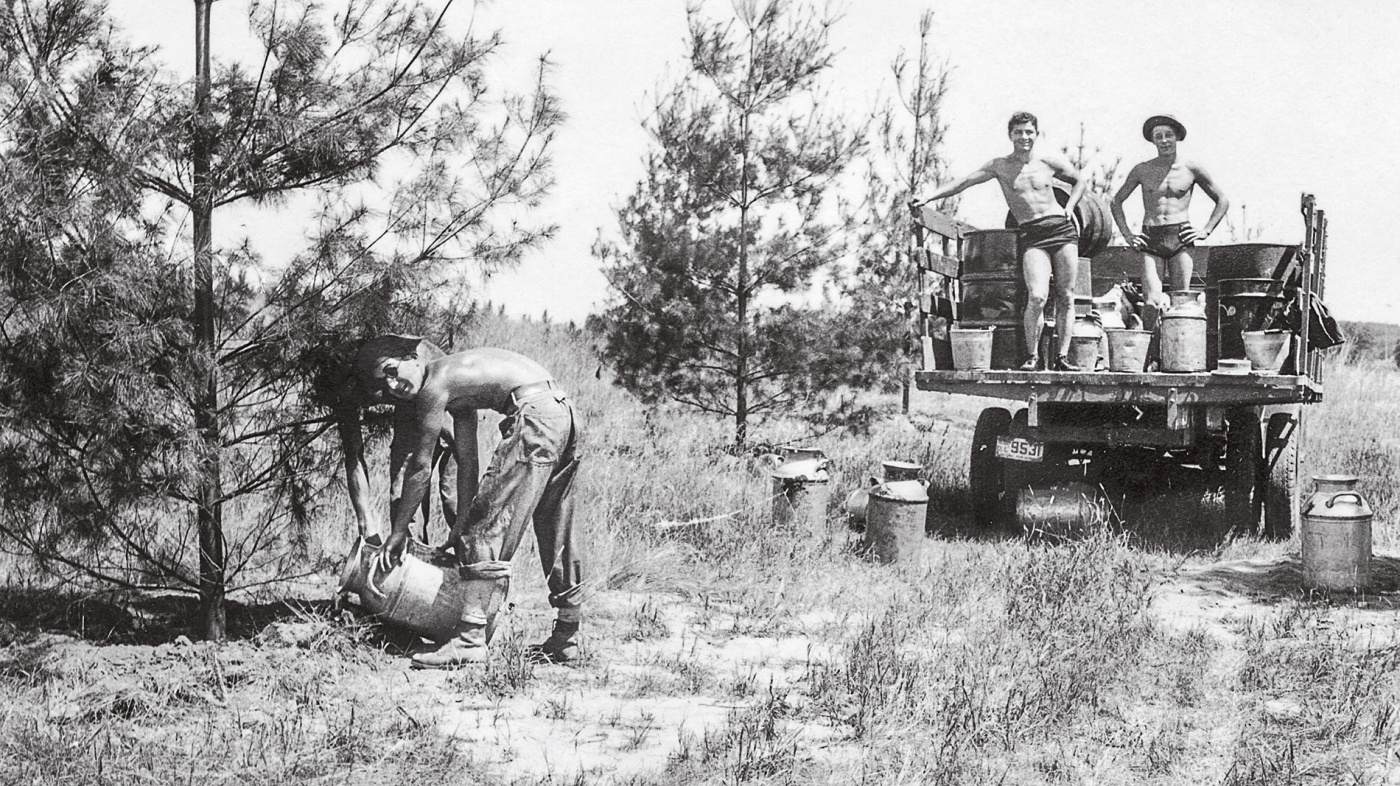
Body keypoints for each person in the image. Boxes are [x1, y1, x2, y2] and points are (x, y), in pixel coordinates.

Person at [356, 342, 585, 669]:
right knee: (556, 521)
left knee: (485, 527)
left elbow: (420, 469)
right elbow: (467, 459)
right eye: (383, 383)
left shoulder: (434, 385)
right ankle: (568, 637)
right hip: (562, 413)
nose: (392, 385)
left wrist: (397, 532)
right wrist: (461, 519)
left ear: (414, 357)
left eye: (393, 371)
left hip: (535, 416)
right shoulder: (458, 382)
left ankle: (470, 640)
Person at [917, 111, 1089, 371]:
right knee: (1038, 296)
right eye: (1019, 132)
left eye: (1029, 132)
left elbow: (1080, 180)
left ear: (1036, 134)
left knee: (1066, 295)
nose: (1024, 137)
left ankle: (1062, 358)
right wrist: (930, 197)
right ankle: (1033, 357)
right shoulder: (1000, 166)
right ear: (1010, 135)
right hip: (1032, 235)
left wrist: (1070, 207)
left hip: (1062, 231)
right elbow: (965, 181)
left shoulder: (1048, 161)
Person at [335, 335, 458, 544]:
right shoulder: (345, 390)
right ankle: (411, 561)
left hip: (450, 406)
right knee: (403, 504)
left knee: (454, 501)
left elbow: (462, 447)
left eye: (390, 375)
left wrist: (464, 517)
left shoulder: (416, 363)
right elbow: (353, 455)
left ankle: (475, 567)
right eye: (381, 384)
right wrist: (367, 527)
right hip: (409, 412)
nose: (391, 386)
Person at [1110, 114, 1229, 321]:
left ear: (1177, 137)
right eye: (1159, 136)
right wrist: (1128, 235)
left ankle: (1173, 352)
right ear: (1153, 140)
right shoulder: (1142, 169)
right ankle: (1148, 351)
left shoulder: (1191, 168)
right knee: (1152, 303)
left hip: (1180, 237)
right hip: (1151, 238)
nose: (1164, 140)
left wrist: (1205, 231)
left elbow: (1222, 200)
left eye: (1168, 135)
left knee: (1180, 305)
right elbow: (1116, 202)